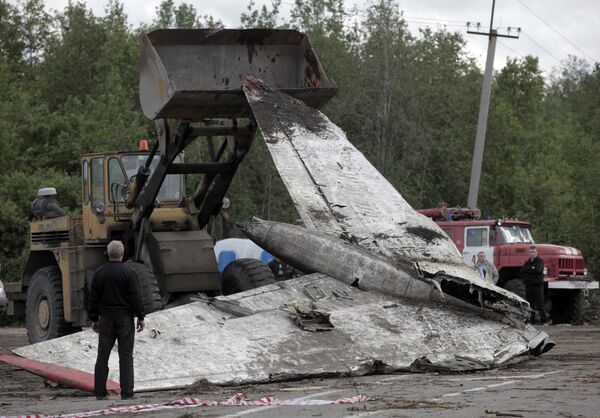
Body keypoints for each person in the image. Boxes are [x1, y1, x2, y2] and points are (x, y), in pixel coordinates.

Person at [89, 240, 145, 400]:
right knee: (126, 356)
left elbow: (93, 298)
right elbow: (136, 297)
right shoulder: (129, 272)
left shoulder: (99, 273)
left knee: (103, 355)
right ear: (122, 254)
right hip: (125, 318)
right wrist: (140, 317)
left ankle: (100, 392)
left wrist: (94, 318)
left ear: (108, 254)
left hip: (105, 318)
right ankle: (127, 392)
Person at [520, 245, 548, 324]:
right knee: (530, 304)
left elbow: (538, 270)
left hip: (538, 286)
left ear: (536, 252)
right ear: (529, 253)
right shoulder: (528, 262)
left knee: (540, 303)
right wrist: (531, 268)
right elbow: (522, 271)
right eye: (531, 252)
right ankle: (531, 321)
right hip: (529, 285)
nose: (532, 253)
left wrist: (529, 269)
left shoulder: (540, 261)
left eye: (534, 252)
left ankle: (544, 321)